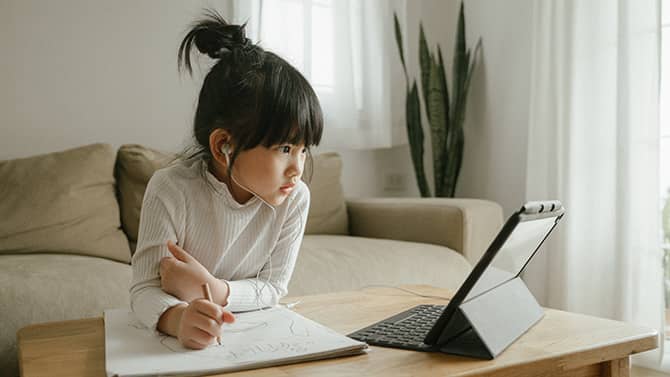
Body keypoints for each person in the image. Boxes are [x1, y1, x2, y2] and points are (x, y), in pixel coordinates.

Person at [129, 9, 323, 350]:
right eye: (285, 147)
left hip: (255, 341)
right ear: (224, 146)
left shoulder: (295, 197)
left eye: (304, 150)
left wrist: (213, 289)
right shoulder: (170, 189)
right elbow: (145, 290)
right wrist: (177, 320)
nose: (298, 168)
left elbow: (274, 288)